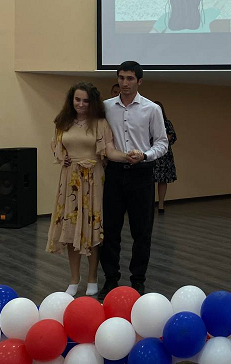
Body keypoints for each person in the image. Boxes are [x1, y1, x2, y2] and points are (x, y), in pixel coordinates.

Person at [46, 82, 134, 296]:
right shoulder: (63, 122)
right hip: (70, 180)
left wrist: (128, 157)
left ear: (92, 102)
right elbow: (57, 148)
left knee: (93, 229)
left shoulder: (100, 123)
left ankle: (92, 277)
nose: (81, 104)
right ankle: (74, 279)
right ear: (71, 100)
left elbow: (109, 151)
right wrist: (64, 158)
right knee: (70, 229)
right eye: (77, 99)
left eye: (86, 101)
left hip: (94, 180)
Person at [99, 61, 168, 299]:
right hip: (115, 173)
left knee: (142, 231)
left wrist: (145, 155)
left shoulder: (151, 109)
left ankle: (138, 280)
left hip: (142, 173)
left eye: (130, 78)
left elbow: (162, 142)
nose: (125, 83)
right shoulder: (106, 107)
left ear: (139, 81)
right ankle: (110, 279)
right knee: (110, 229)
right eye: (121, 78)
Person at [153, 101, 177, 214]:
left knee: (162, 180)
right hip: (151, 154)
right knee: (149, 179)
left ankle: (161, 204)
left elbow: (171, 137)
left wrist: (163, 139)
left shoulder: (167, 123)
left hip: (164, 156)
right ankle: (149, 203)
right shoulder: (147, 122)